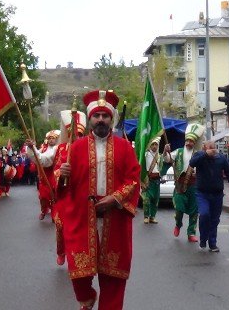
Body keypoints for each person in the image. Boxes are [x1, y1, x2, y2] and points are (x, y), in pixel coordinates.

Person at [58, 89, 140, 310]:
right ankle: (87, 297)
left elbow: (133, 179)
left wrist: (114, 199)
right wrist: (62, 175)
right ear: (90, 119)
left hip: (116, 216)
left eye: (105, 116)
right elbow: (63, 189)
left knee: (113, 277)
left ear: (111, 119)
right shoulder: (75, 148)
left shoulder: (125, 147)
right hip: (83, 218)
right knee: (79, 274)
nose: (101, 119)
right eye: (97, 115)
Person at [52, 109, 87, 266]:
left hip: (81, 194)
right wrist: (62, 173)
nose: (76, 136)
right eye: (73, 132)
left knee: (80, 229)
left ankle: (77, 256)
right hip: (65, 194)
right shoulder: (61, 149)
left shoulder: (87, 147)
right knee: (61, 225)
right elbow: (55, 170)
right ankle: (61, 252)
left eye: (79, 133)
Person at [189, 140, 229, 252]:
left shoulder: (221, 158)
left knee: (215, 219)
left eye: (213, 148)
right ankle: (203, 239)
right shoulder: (199, 156)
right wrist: (205, 155)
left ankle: (212, 243)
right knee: (204, 214)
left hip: (217, 194)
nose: (212, 150)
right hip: (202, 193)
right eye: (209, 148)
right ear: (204, 148)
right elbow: (192, 163)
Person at [163, 124, 204, 243]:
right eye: (188, 140)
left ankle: (191, 233)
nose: (189, 142)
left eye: (191, 141)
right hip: (180, 186)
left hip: (193, 186)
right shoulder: (179, 152)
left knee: (194, 211)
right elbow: (167, 159)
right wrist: (166, 152)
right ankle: (178, 224)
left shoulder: (198, 154)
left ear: (194, 142)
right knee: (179, 209)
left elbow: (202, 168)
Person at [27, 130, 60, 220]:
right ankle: (44, 210)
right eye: (49, 138)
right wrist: (32, 148)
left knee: (54, 197)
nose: (51, 140)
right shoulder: (43, 148)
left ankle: (55, 215)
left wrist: (33, 149)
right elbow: (37, 157)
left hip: (54, 176)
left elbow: (45, 160)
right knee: (43, 197)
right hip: (44, 176)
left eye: (53, 138)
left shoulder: (57, 148)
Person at [142, 136, 162, 224]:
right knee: (147, 199)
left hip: (157, 181)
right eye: (153, 144)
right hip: (148, 180)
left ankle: (152, 217)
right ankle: (146, 216)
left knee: (155, 200)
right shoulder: (145, 154)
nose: (154, 146)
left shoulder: (160, 156)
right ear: (150, 145)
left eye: (156, 145)